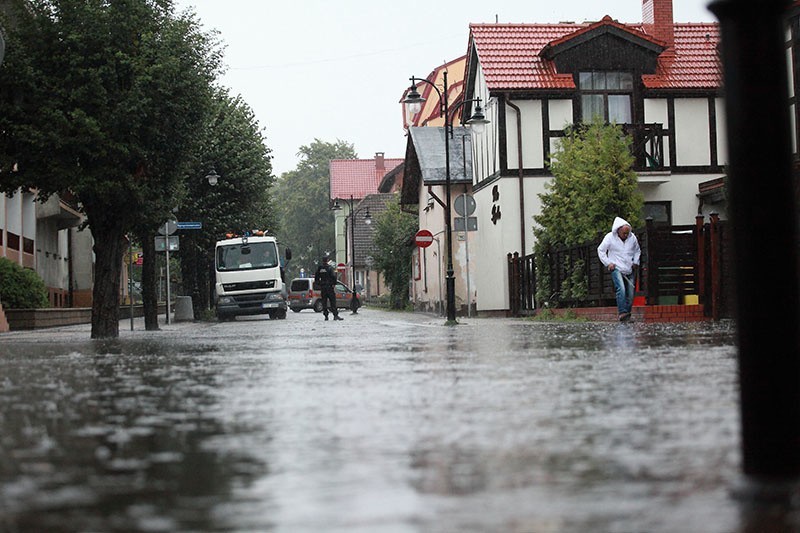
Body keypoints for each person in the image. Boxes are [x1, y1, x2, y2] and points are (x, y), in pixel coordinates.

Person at [597, 216, 641, 322]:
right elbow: (601, 250)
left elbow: (637, 250)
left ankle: (627, 314)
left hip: (629, 269)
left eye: (627, 233)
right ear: (618, 230)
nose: (626, 235)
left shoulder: (632, 238)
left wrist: (636, 261)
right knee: (621, 289)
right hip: (616, 268)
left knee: (630, 293)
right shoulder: (609, 237)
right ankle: (622, 313)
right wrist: (608, 263)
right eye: (624, 233)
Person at [314, 254, 343, 321]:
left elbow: (316, 277)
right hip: (329, 287)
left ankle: (326, 316)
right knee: (332, 301)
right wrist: (333, 284)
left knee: (324, 302)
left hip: (323, 287)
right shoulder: (329, 268)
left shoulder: (320, 268)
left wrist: (319, 284)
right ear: (327, 260)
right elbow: (333, 277)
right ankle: (335, 315)